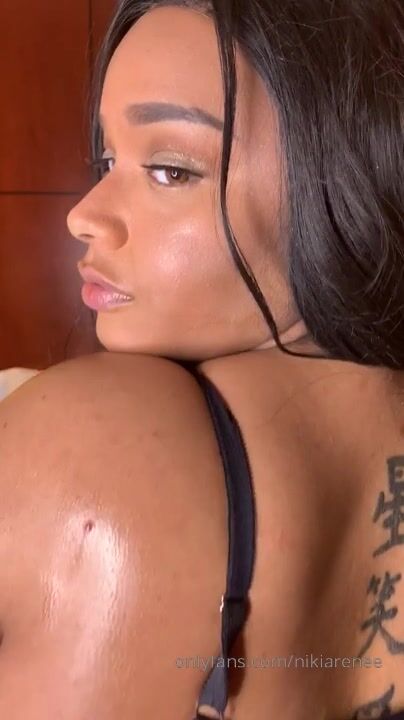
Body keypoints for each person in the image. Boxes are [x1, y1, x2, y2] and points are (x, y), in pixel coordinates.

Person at [0, 1, 403, 717]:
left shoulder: (96, 438)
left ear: (348, 178)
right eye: (106, 160)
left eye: (168, 169)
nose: (85, 214)